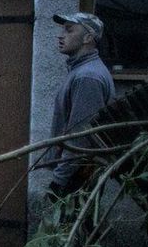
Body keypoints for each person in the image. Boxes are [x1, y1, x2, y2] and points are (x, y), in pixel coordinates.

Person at [47, 12, 115, 197]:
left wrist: (59, 180)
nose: (61, 36)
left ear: (88, 37)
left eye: (69, 30)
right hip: (76, 172)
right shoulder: (80, 71)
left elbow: (81, 137)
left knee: (71, 225)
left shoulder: (87, 76)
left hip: (79, 175)